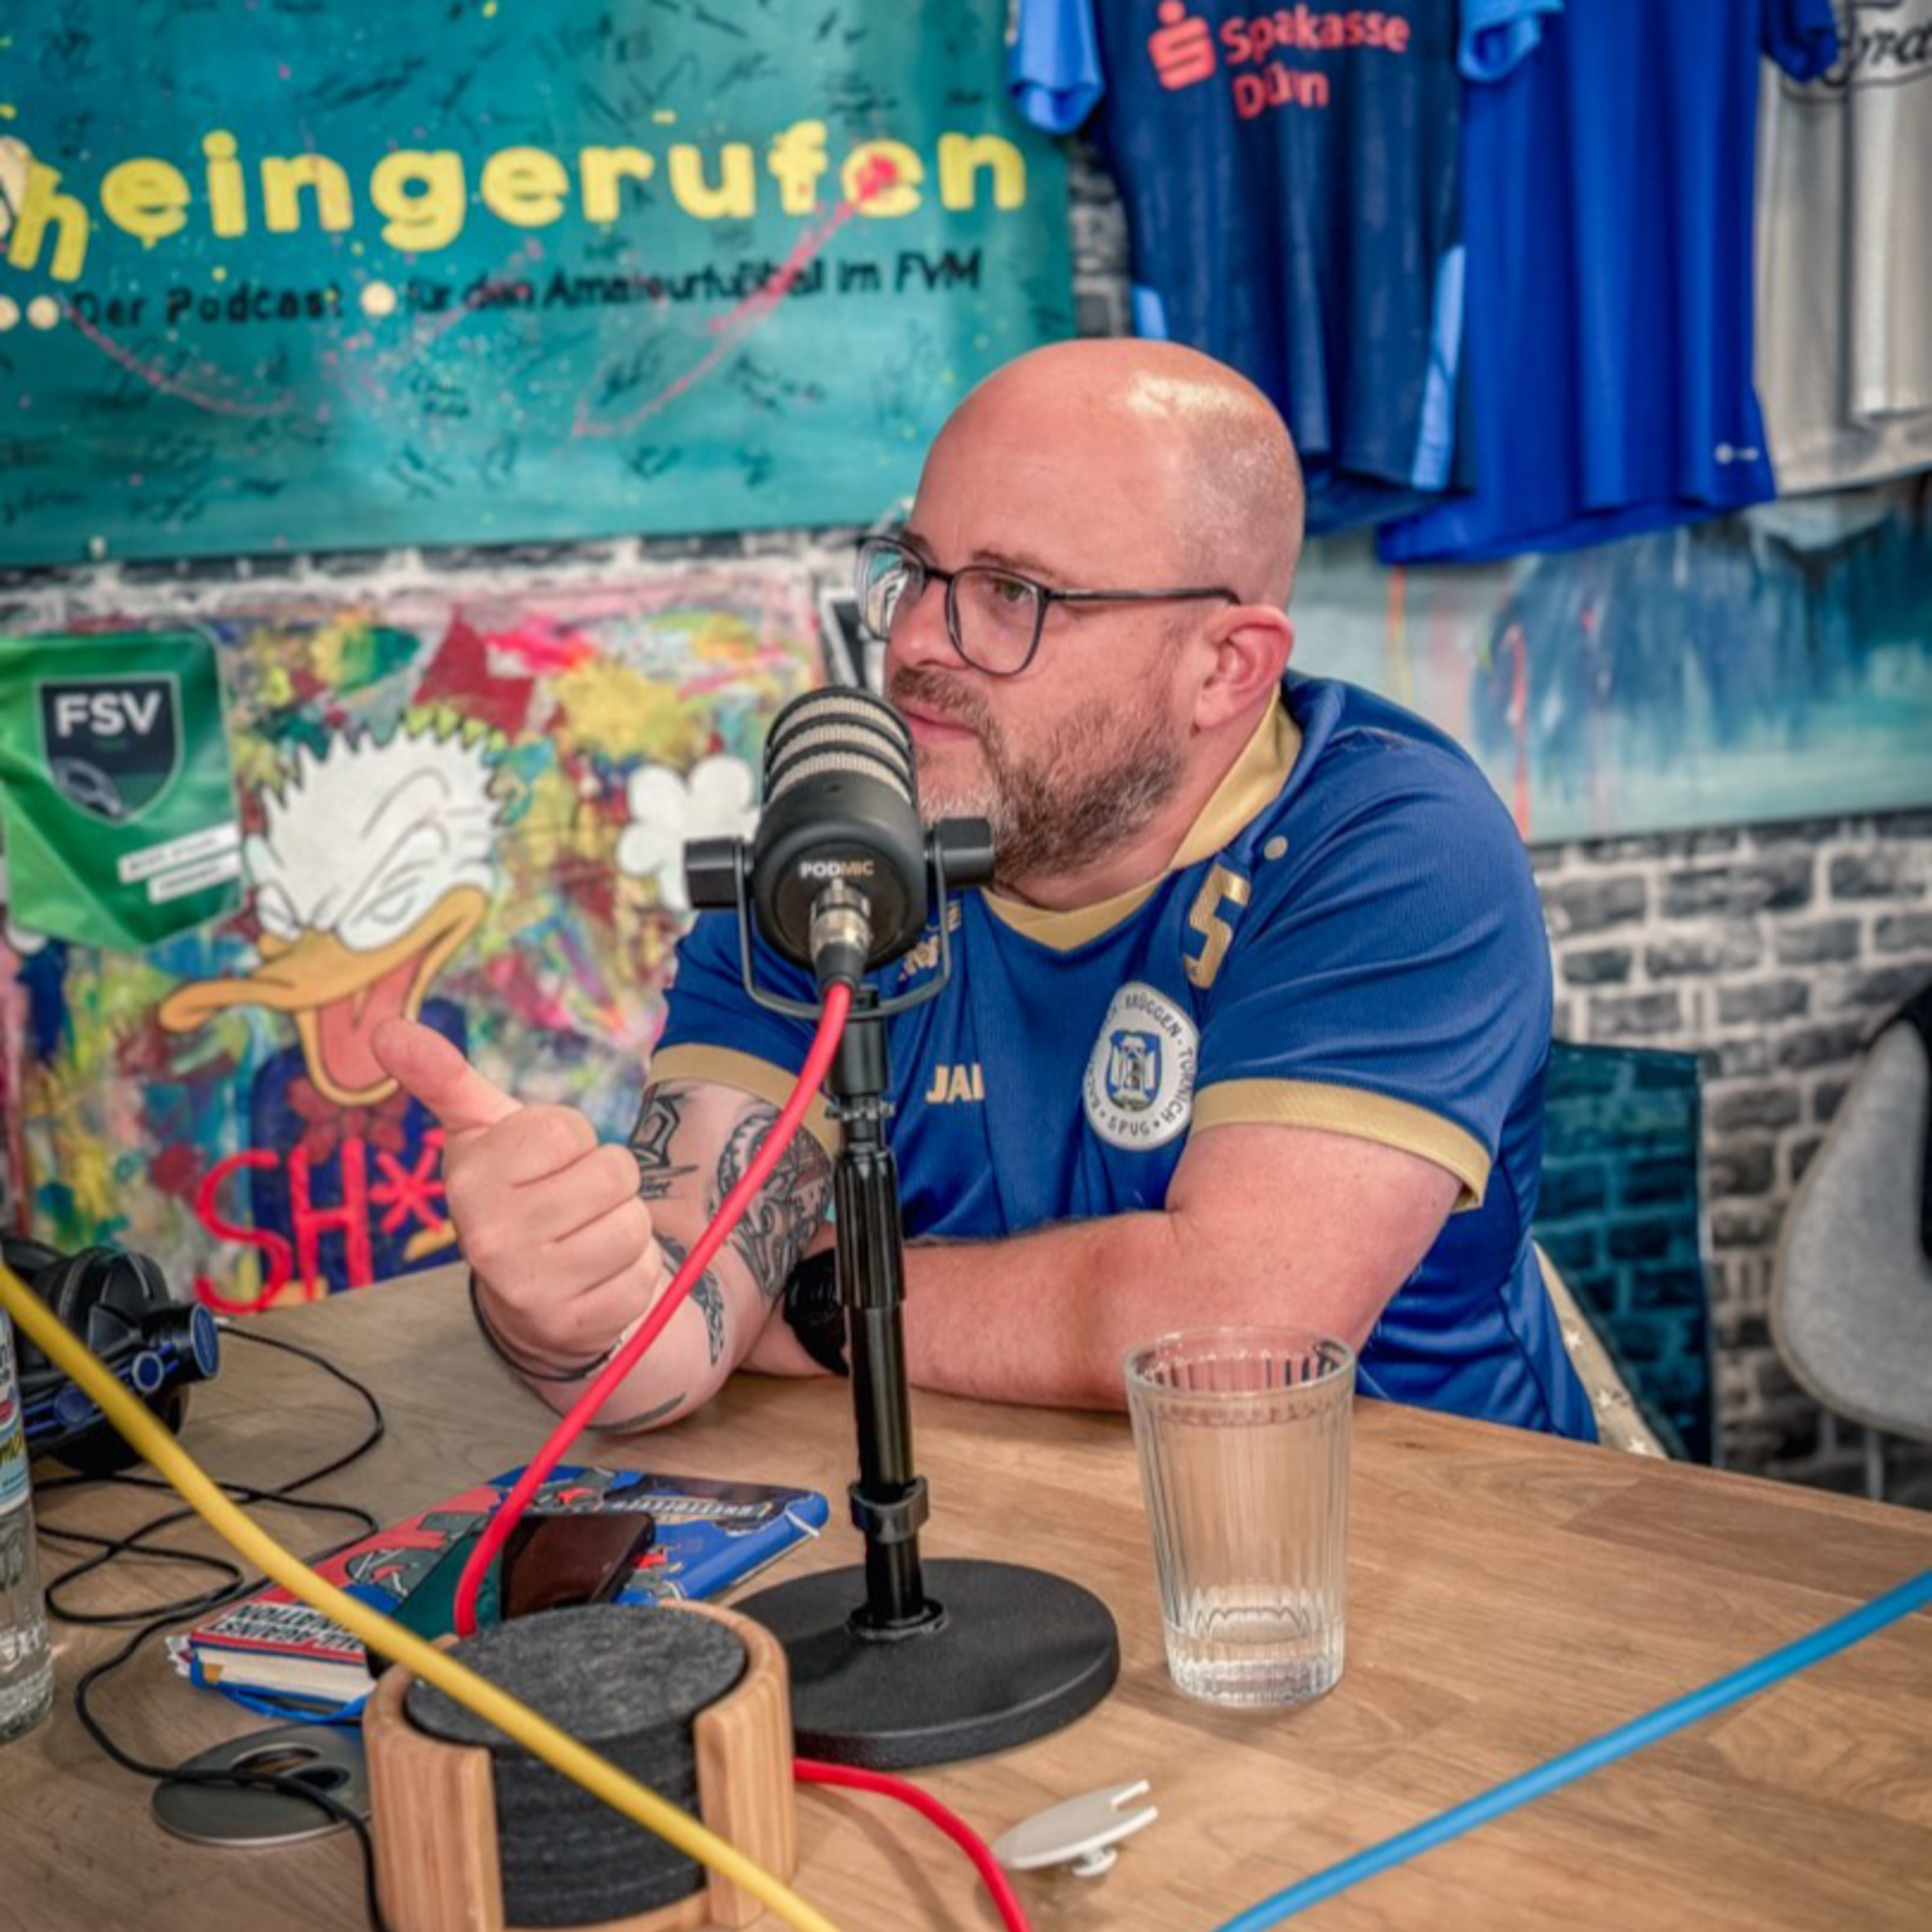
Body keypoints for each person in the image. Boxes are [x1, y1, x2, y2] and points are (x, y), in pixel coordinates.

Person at [373, 339, 1596, 1443]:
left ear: (1227, 667)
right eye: (914, 571)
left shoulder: (1392, 847)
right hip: (1020, 1545)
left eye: (1014, 592)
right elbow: (665, 1334)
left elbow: (1227, 1341)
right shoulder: (836, 870)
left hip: (1433, 1562)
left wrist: (818, 1296)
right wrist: (563, 1306)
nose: (914, 641)